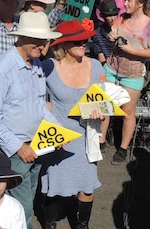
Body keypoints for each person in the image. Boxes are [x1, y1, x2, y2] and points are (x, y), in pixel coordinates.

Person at [0, 12, 61, 229]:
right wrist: (19, 147)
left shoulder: (36, 66)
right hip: (13, 151)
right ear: (21, 37)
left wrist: (57, 128)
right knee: (22, 207)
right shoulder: (1, 68)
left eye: (45, 40)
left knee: (22, 201)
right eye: (37, 40)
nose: (43, 45)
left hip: (35, 147)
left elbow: (38, 106)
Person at [41, 20, 105, 229]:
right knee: (53, 183)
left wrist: (102, 124)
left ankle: (82, 225)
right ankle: (49, 223)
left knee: (87, 186)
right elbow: (31, 91)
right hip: (59, 136)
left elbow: (105, 102)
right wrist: (44, 103)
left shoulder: (95, 66)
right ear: (63, 45)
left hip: (87, 134)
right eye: (77, 41)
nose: (83, 43)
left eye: (85, 40)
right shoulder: (49, 66)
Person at [105, 0, 150, 165]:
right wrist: (111, 35)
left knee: (127, 112)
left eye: (129, 1)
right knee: (105, 107)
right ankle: (99, 141)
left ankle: (123, 147)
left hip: (133, 73)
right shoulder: (122, 17)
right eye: (125, 0)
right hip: (112, 68)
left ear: (140, 4)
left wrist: (133, 51)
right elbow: (110, 34)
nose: (125, 4)